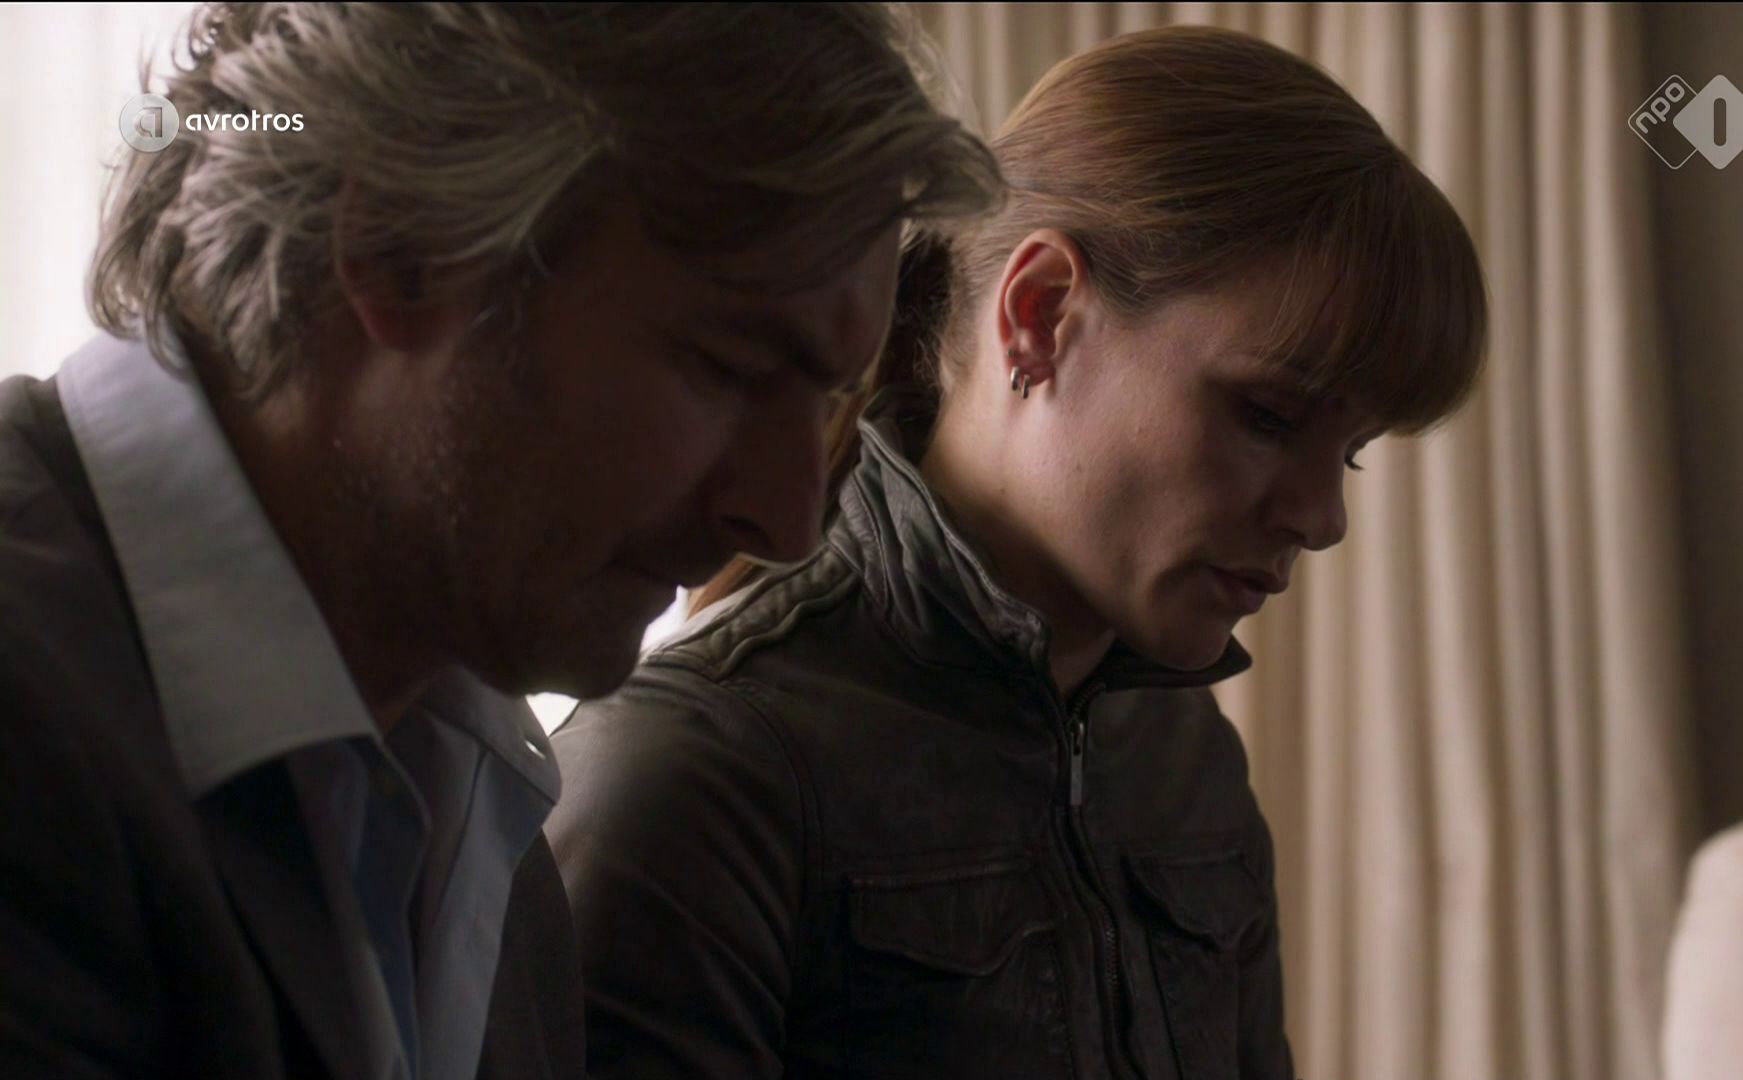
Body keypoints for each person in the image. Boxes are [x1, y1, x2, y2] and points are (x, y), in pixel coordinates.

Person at [0, 3, 998, 1078]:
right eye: (731, 368)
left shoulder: (479, 793)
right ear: (402, 247)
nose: (789, 523)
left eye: (829, 397)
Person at [547, 23, 1489, 1080]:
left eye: (1351, 453)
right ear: (1040, 314)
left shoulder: (1182, 759)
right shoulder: (699, 775)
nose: (1322, 518)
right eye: (1268, 415)